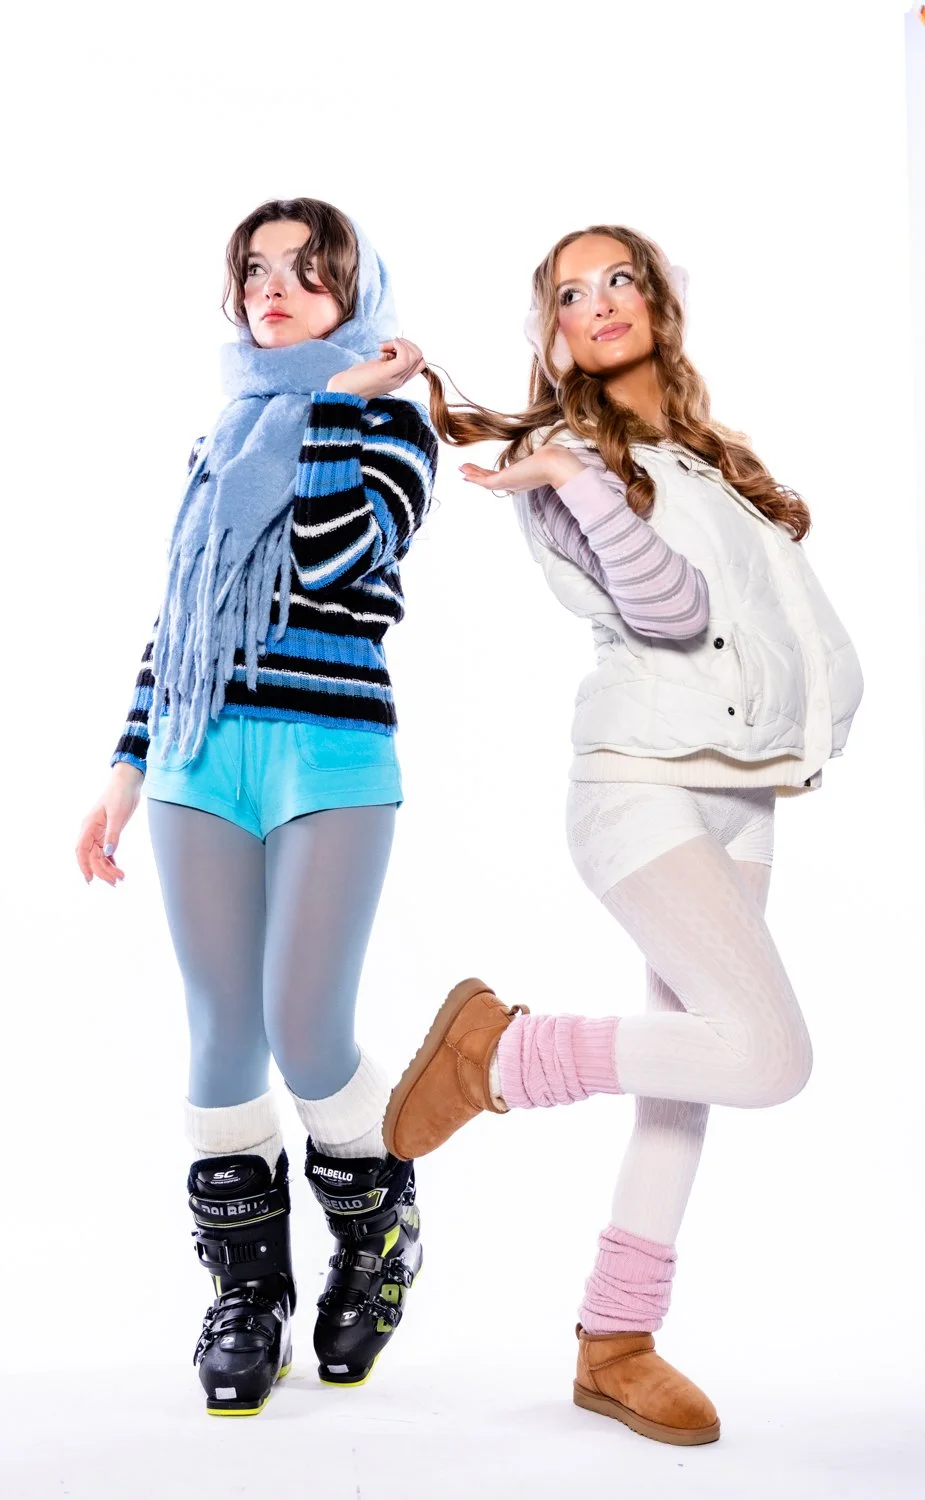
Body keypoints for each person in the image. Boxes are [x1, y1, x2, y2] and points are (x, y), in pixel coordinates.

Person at [385, 224, 863, 1446]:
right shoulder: (559, 459)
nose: (599, 302)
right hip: (639, 784)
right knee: (767, 1057)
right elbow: (669, 612)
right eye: (569, 293)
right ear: (550, 334)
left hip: (741, 790)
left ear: (657, 301)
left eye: (620, 280)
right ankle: (501, 1056)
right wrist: (578, 478)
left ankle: (615, 1341)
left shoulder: (707, 459)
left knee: (687, 1078)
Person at [76, 197, 437, 1415]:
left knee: (305, 1024)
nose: (272, 288)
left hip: (329, 751)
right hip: (197, 756)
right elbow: (182, 614)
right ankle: (248, 1292)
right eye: (255, 269)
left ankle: (377, 1236)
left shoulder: (393, 423)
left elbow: (338, 556)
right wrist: (126, 765)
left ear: (354, 294)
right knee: (223, 1028)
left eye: (306, 271)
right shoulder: (223, 434)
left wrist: (340, 404)